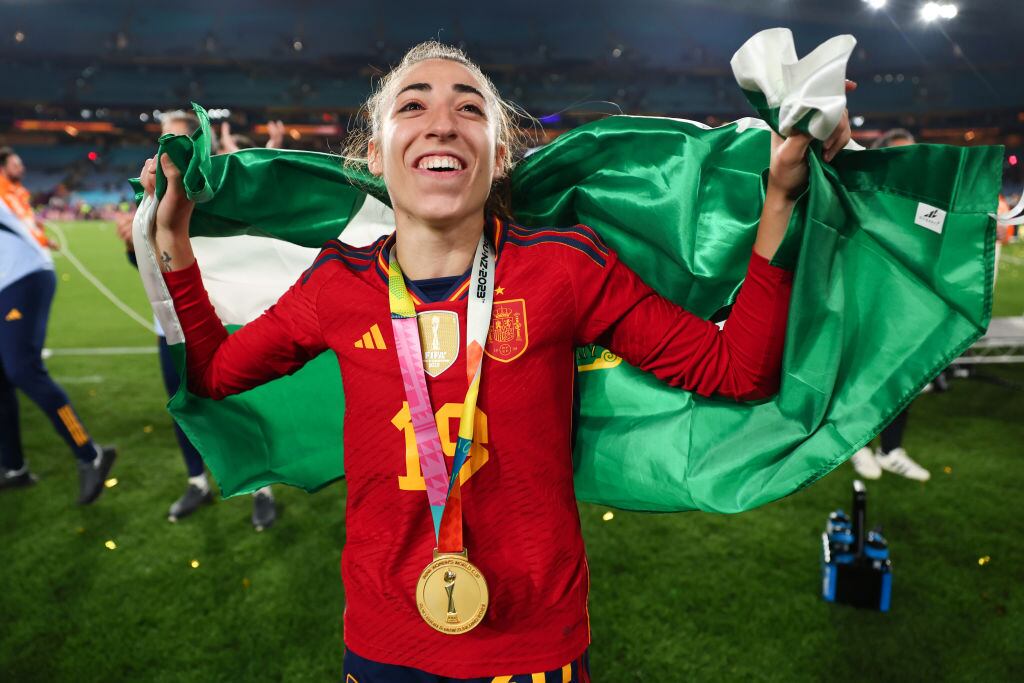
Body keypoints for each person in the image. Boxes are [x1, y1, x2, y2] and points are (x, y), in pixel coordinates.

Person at [140, 42, 851, 681]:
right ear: (375, 156)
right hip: (384, 640)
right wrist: (173, 239)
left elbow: (735, 370)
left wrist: (782, 198)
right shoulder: (337, 284)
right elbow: (215, 375)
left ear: (500, 152)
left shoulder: (565, 269)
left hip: (534, 643)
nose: (442, 122)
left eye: (468, 107)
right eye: (412, 105)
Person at [116, 110, 277, 527]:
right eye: (161, 139)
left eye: (174, 139)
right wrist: (134, 246)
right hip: (169, 330)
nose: (164, 147)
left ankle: (262, 487)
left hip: (223, 321)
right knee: (183, 407)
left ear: (193, 144)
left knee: (243, 407)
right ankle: (197, 482)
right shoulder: (150, 194)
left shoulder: (217, 189)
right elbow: (153, 275)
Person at [0, 147, 116, 502]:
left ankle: (89, 453)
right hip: (12, 280)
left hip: (23, 279)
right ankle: (13, 466)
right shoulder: (12, 195)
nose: (21, 164)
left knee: (23, 370)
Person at [849, 128, 931, 482]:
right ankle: (856, 444)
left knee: (903, 378)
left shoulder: (925, 200)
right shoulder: (867, 198)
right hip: (868, 301)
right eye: (902, 156)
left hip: (908, 304)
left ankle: (891, 450)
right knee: (862, 377)